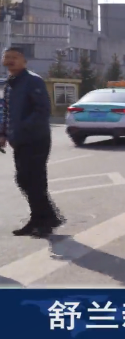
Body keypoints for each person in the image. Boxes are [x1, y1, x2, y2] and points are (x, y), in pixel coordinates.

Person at [1, 47, 62, 237]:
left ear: (24, 61)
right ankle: (44, 217)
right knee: (24, 180)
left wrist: (20, 129)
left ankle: (45, 222)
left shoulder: (32, 80)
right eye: (7, 57)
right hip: (19, 141)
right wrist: (3, 133)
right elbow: (7, 111)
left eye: (15, 57)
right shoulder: (10, 83)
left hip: (36, 139)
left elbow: (42, 110)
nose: (10, 61)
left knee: (34, 182)